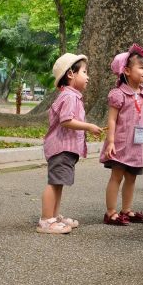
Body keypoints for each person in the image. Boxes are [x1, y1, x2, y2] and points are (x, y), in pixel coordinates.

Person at [38, 53, 103, 234]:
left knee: (58, 183)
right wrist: (89, 126)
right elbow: (66, 120)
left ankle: (54, 216)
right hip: (61, 147)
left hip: (65, 148)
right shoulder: (69, 97)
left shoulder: (72, 96)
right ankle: (45, 220)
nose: (88, 76)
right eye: (84, 71)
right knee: (54, 183)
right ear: (70, 74)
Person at [100, 44, 143, 226]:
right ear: (126, 71)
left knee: (131, 178)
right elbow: (112, 120)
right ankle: (111, 212)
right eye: (141, 67)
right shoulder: (118, 94)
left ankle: (126, 210)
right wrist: (110, 142)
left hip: (136, 146)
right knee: (117, 176)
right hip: (120, 144)